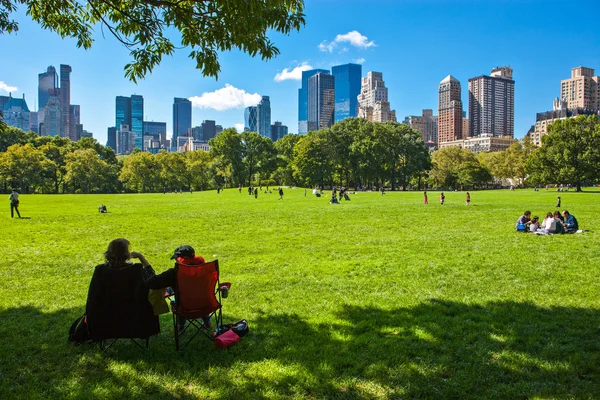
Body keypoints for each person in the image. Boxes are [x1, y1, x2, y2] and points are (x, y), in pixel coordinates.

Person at [85, 239, 160, 341]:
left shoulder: (100, 271)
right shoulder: (136, 271)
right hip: (134, 319)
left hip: (107, 320)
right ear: (126, 253)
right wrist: (141, 257)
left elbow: (94, 297)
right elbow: (152, 277)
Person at [145, 245, 210, 331]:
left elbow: (151, 283)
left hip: (184, 308)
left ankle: (181, 326)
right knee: (197, 296)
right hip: (206, 305)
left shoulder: (174, 273)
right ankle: (207, 322)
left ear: (180, 259)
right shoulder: (205, 269)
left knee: (178, 301)